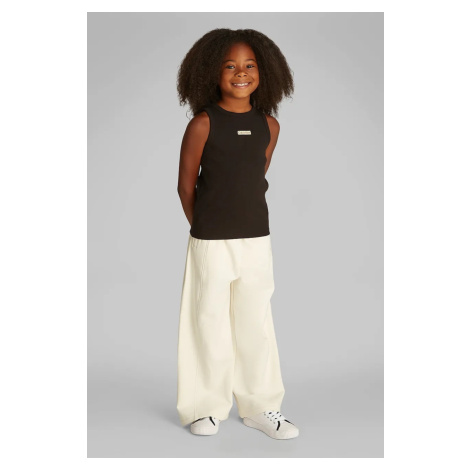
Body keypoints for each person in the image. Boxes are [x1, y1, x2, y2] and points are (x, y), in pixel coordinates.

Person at [176, 28, 299, 440]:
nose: (240, 72)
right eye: (230, 66)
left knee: (255, 323)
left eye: (249, 65)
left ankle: (261, 407)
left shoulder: (269, 125)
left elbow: (254, 178)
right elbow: (186, 187)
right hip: (211, 241)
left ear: (265, 72)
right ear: (213, 72)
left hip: (256, 239)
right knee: (208, 321)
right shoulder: (203, 123)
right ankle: (205, 408)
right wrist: (204, 229)